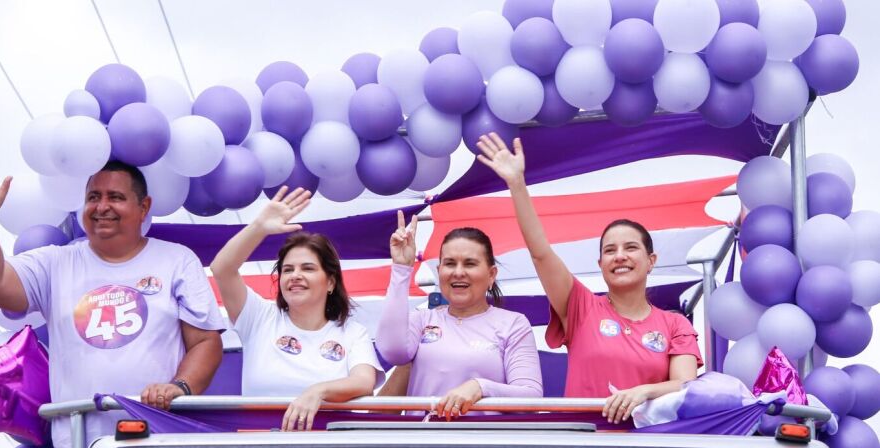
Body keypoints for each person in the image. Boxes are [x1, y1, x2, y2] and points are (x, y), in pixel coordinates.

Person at [0, 151, 225, 448]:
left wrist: (180, 387)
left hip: (161, 443)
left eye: (115, 197)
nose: (102, 207)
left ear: (144, 207)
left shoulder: (176, 260)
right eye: (93, 197)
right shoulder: (56, 262)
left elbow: (206, 342)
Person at [475, 133, 703, 424]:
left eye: (630, 248)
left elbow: (686, 386)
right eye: (610, 250)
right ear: (600, 263)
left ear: (651, 261)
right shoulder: (581, 307)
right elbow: (541, 254)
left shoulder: (675, 325)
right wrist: (517, 185)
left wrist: (643, 392)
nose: (619, 256)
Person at [210, 186, 384, 432]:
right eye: (288, 270)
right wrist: (258, 227)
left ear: (331, 282)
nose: (296, 276)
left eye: (308, 268)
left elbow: (364, 382)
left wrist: (317, 391)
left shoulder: (352, 332)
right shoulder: (259, 317)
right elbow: (222, 269)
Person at [376, 211, 543, 419]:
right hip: (422, 444)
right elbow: (392, 351)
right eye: (450, 263)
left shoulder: (513, 324)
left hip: (484, 447)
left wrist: (479, 388)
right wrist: (401, 268)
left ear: (491, 275)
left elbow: (531, 396)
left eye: (470, 263)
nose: (458, 272)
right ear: (439, 271)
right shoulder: (422, 319)